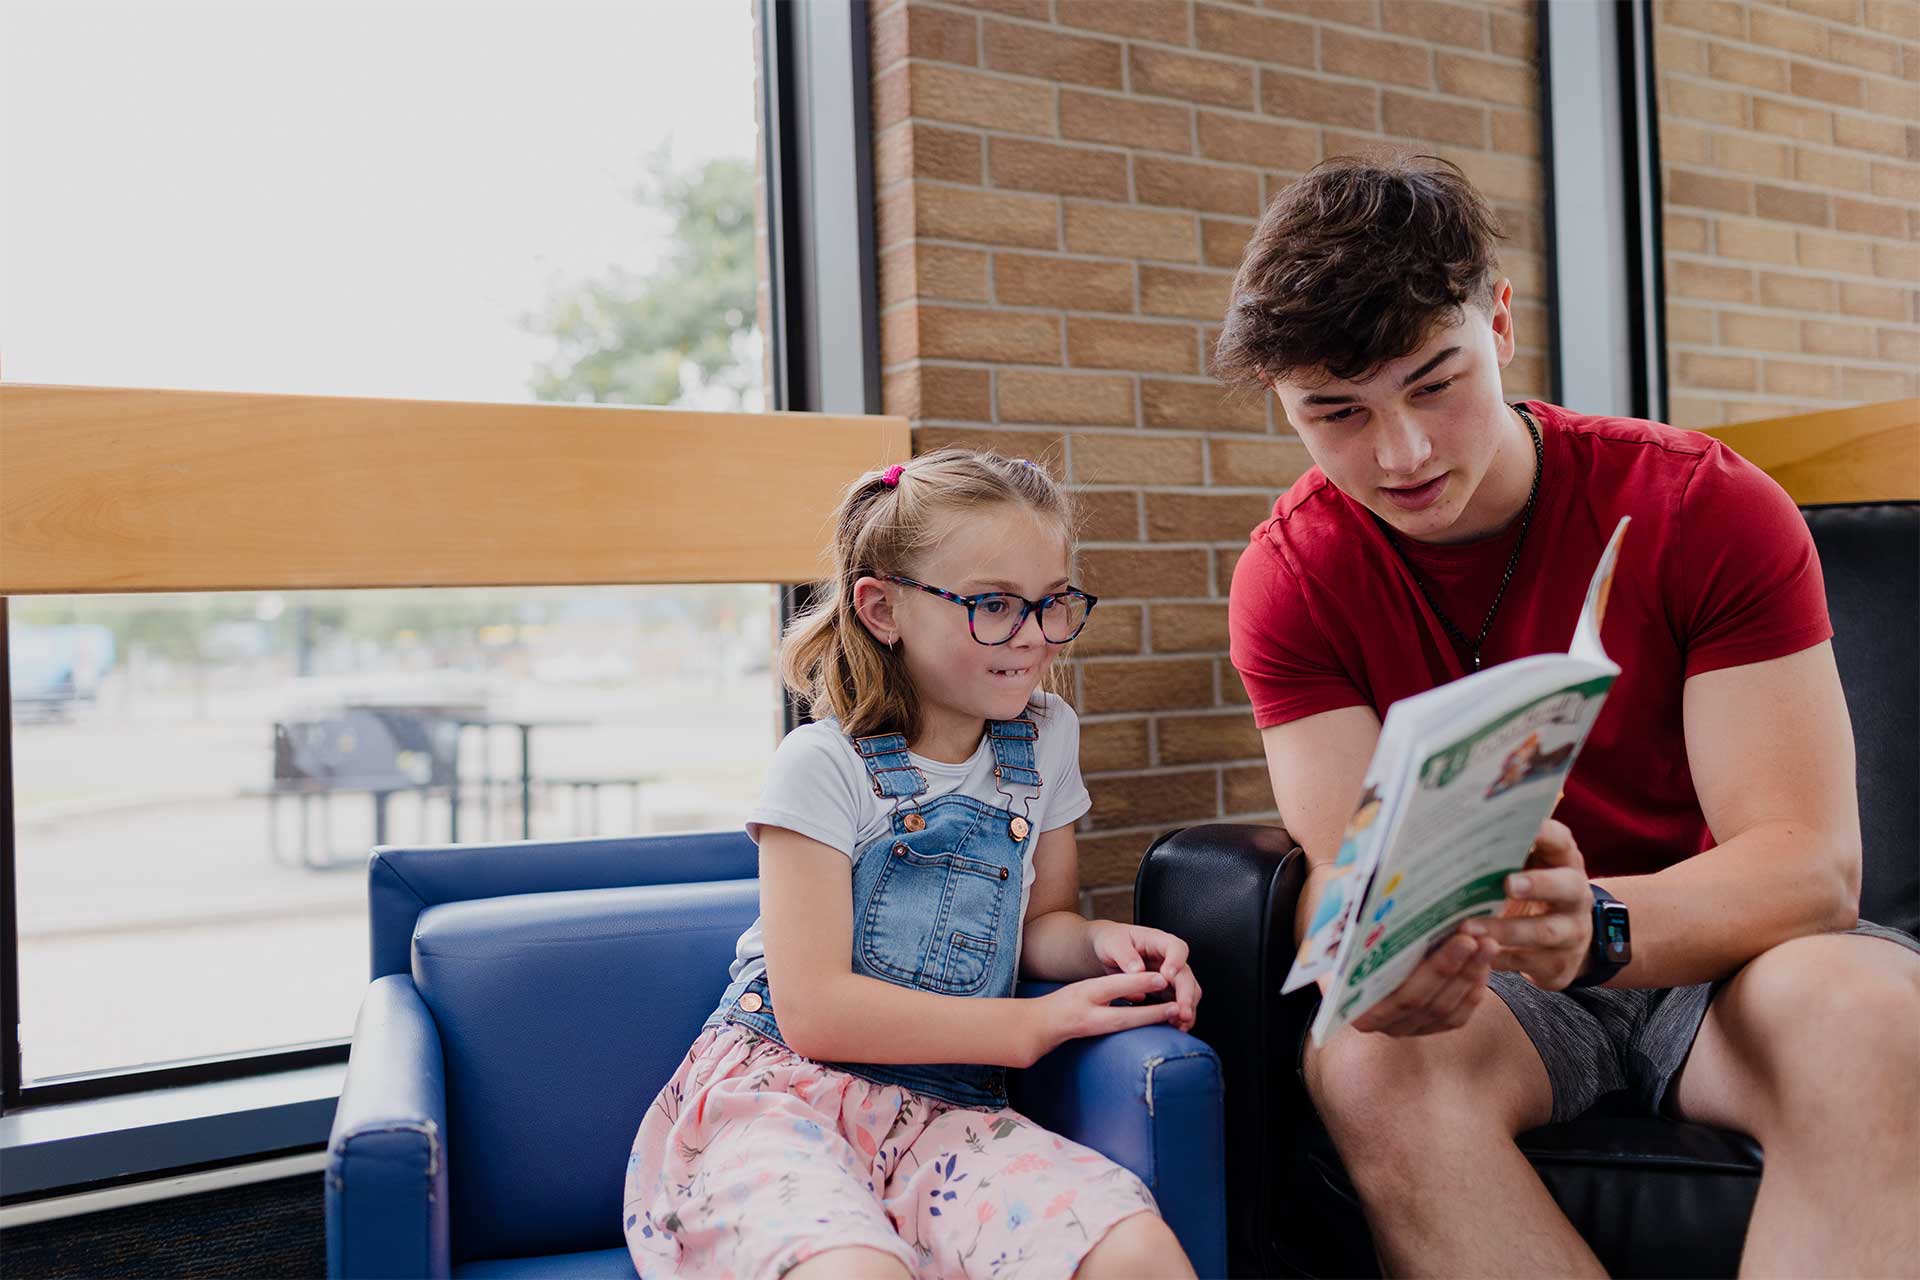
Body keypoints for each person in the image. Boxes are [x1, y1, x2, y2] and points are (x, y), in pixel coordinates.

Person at [1214, 153, 1920, 1277]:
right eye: (1337, 413)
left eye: (1435, 382)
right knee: (1363, 1061)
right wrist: (1378, 967)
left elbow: (1808, 865)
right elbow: (1350, 863)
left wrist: (1599, 922)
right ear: (1282, 402)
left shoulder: (1704, 505)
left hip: (1732, 955)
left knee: (1878, 1025)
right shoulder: (1292, 575)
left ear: (1498, 324)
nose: (1401, 453)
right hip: (1502, 985)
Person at [623, 449, 1202, 1280]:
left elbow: (1042, 926)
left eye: (1052, 603)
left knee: (1133, 1252)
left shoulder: (1045, 737)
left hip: (948, 1106)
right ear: (882, 607)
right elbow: (817, 1011)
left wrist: (1105, 944)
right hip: (783, 1102)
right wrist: (1031, 1025)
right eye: (995, 605)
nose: (1035, 637)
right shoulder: (822, 767)